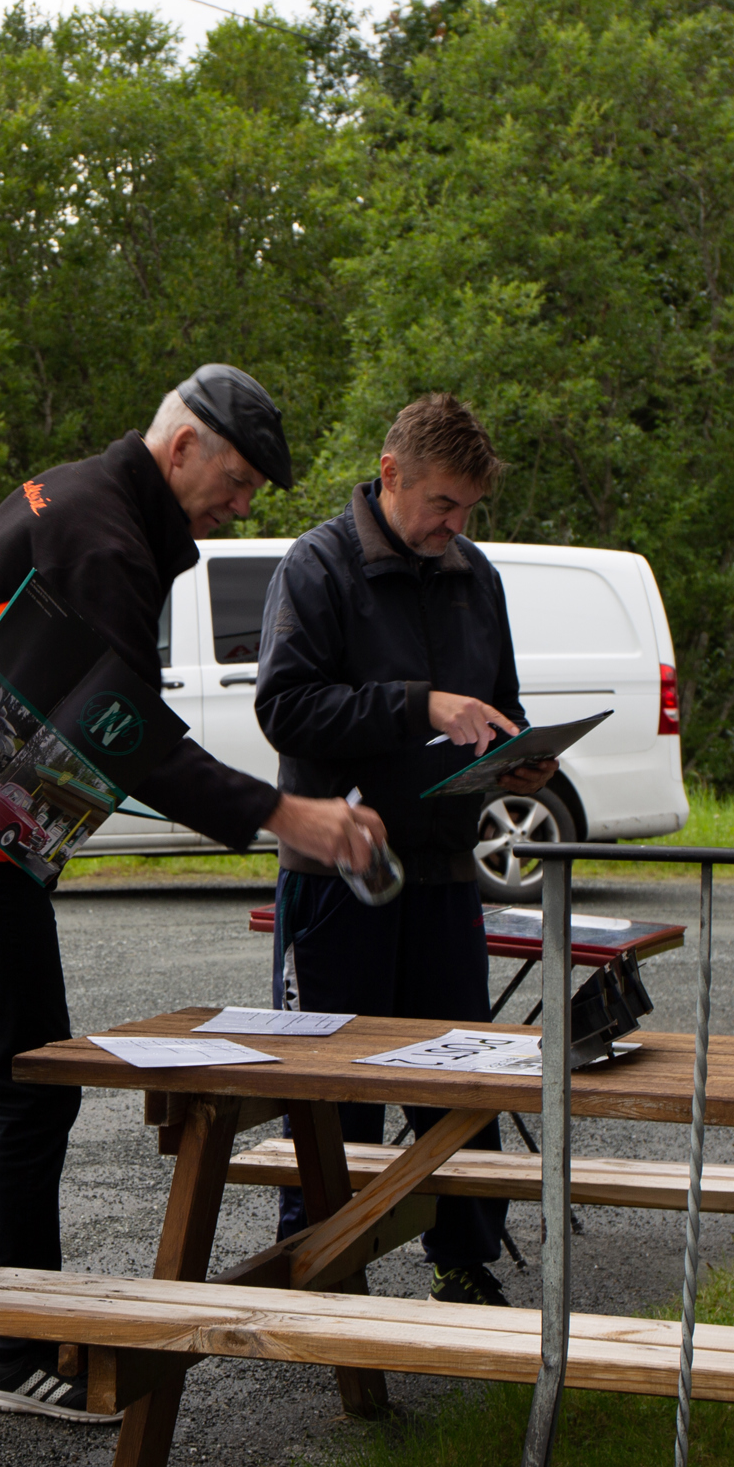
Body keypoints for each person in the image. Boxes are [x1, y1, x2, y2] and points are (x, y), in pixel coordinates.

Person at [0, 365, 391, 1421]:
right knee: (36, 1079)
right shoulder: (104, 538)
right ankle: (21, 1350)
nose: (242, 506)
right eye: (237, 481)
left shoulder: (85, 496)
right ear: (182, 449)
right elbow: (126, 732)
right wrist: (285, 813)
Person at [251, 393, 556, 1306]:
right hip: (340, 874)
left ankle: (463, 1261)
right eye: (443, 504)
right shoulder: (316, 566)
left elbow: (499, 703)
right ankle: (317, 1269)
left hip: (446, 869)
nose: (456, 525)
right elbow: (285, 710)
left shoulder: (475, 575)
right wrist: (418, 703)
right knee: (334, 1084)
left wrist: (517, 756)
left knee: (459, 1078)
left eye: (469, 509)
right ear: (390, 475)